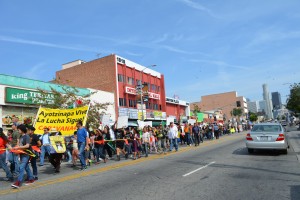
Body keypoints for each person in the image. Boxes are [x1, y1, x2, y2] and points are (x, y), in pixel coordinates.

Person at [11, 124, 35, 188]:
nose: (18, 131)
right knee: (26, 167)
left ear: (22, 130)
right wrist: (15, 148)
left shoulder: (26, 136)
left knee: (21, 167)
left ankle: (18, 182)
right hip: (22, 154)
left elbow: (27, 146)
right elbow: (20, 146)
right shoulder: (21, 137)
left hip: (26, 154)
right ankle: (31, 178)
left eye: (18, 129)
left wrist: (18, 147)